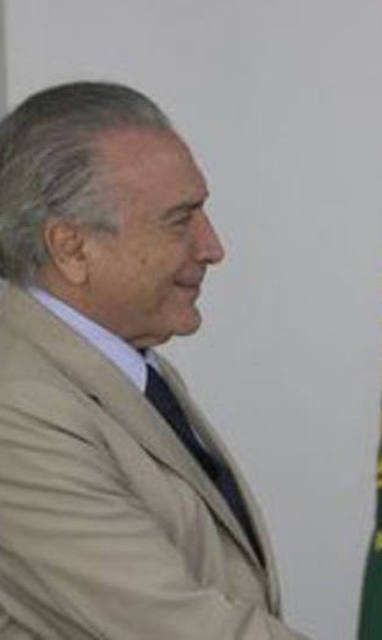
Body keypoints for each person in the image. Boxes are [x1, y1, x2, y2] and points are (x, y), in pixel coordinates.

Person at [0, 82, 308, 639]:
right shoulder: (17, 406)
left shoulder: (127, 364)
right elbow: (171, 624)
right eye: (179, 220)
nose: (212, 247)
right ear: (71, 248)